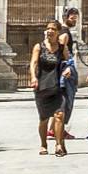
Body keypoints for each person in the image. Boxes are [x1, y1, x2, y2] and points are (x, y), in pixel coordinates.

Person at [32, 24, 70, 157]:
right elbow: (34, 63)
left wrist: (68, 69)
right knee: (44, 119)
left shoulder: (61, 48)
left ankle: (59, 145)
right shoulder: (39, 47)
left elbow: (68, 61)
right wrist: (33, 77)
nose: (50, 31)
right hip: (42, 86)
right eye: (48, 28)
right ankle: (43, 144)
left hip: (57, 87)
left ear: (58, 32)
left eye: (53, 29)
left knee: (59, 115)